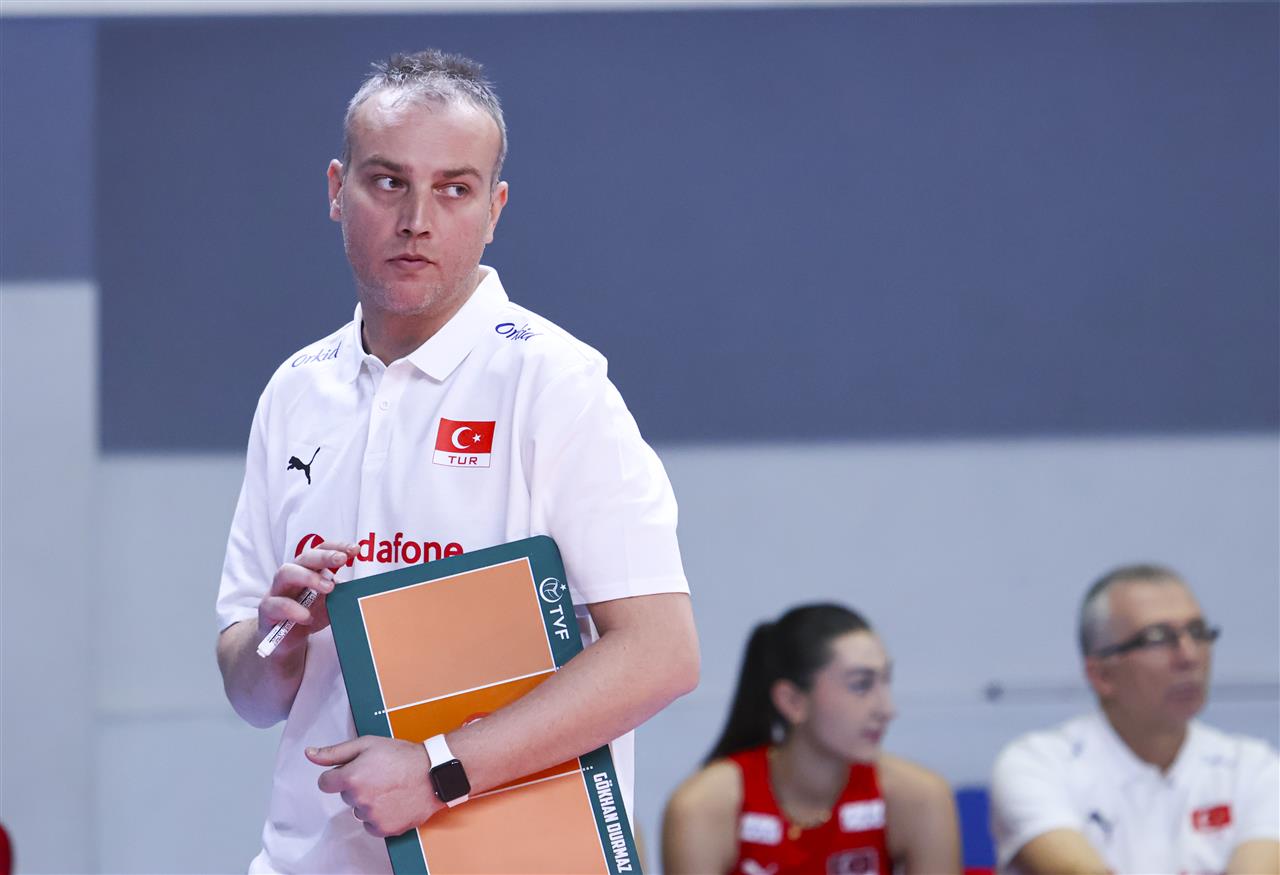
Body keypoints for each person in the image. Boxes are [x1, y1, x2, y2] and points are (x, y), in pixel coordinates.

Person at [214, 49, 699, 874]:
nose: (417, 219)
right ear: (336, 189)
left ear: (494, 207)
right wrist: (277, 640)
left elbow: (660, 654)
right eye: (388, 182)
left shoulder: (556, 383)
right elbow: (249, 692)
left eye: (454, 188)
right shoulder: (295, 389)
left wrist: (441, 769)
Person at [990, 564, 1280, 875]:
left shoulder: (1255, 768)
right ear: (1101, 674)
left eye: (1197, 632)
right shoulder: (1037, 764)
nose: (1189, 656)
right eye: (1157, 638)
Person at [662, 604, 961, 875]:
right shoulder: (703, 807)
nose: (887, 709)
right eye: (861, 685)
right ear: (792, 701)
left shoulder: (920, 797)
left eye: (886, 681)